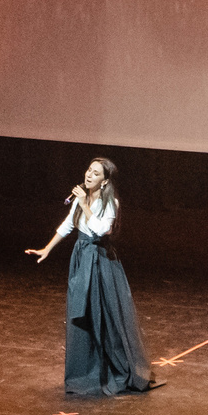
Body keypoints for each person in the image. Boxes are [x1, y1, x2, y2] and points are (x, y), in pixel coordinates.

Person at [25, 156, 160, 397]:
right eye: (89, 170)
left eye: (95, 173)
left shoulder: (111, 203)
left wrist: (84, 204)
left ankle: (118, 369)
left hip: (101, 260)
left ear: (105, 181)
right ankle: (85, 372)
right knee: (81, 313)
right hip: (82, 257)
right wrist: (48, 248)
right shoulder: (80, 200)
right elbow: (68, 225)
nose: (89, 175)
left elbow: (99, 230)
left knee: (106, 314)